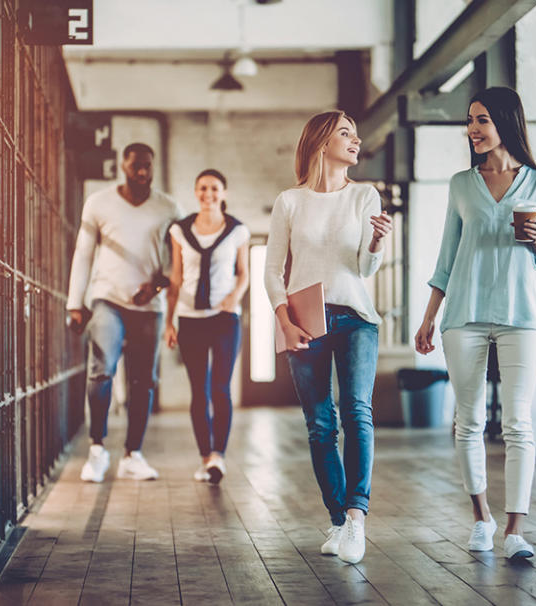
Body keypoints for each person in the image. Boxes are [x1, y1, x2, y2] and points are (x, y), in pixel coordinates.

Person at [415, 87, 536, 560]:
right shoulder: (461, 184)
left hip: (521, 316)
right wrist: (428, 317)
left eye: (480, 120)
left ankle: (515, 529)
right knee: (469, 420)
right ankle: (482, 519)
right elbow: (446, 256)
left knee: (518, 422)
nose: (472, 129)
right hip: (464, 315)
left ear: (504, 122)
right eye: (470, 121)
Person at [264, 111, 392, 564]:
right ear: (321, 141)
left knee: (357, 411)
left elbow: (365, 268)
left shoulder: (364, 195)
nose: (356, 140)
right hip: (305, 321)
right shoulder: (290, 201)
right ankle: (338, 520)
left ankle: (357, 517)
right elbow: (273, 269)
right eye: (346, 133)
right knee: (320, 424)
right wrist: (284, 321)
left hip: (356, 316)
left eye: (356, 134)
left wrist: (378, 242)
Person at [66, 142, 182, 483]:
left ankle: (133, 454)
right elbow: (84, 253)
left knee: (143, 382)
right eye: (136, 166)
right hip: (107, 299)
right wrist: (75, 303)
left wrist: (158, 285)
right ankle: (98, 450)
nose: (143, 172)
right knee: (101, 371)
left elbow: (178, 261)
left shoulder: (169, 207)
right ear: (123, 166)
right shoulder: (99, 203)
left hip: (150, 305)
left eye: (148, 166)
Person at [164, 169, 250, 485]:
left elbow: (244, 273)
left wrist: (234, 297)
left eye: (214, 188)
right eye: (202, 188)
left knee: (220, 387)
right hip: (189, 318)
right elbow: (175, 278)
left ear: (224, 193)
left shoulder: (238, 231)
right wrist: (169, 322)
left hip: (225, 318)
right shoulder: (180, 230)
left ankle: (219, 456)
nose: (208, 193)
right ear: (196, 192)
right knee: (199, 391)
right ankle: (204, 457)